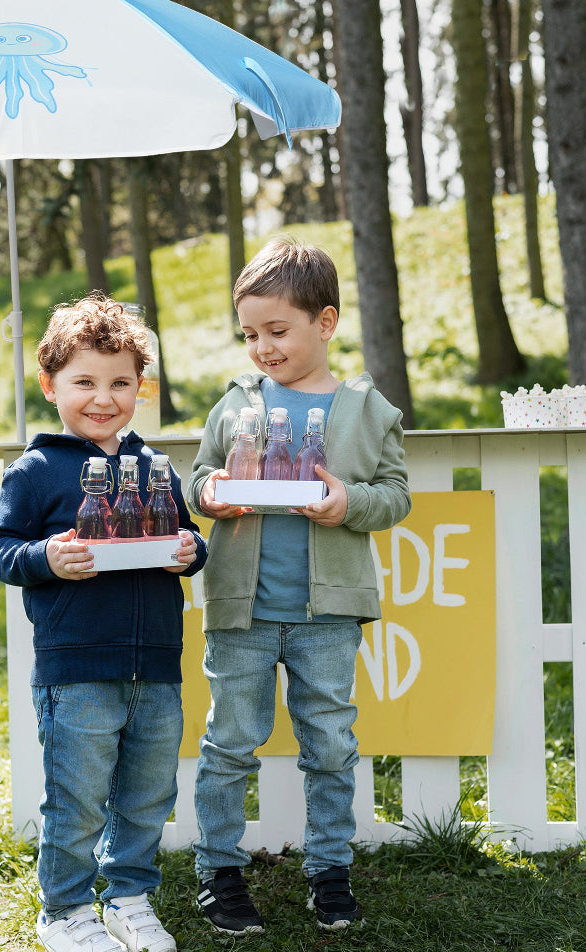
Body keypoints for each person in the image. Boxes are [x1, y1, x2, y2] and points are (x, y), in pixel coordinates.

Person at [185, 236, 411, 936]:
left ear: (327, 322)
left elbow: (396, 495)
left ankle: (329, 872)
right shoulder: (234, 406)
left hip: (328, 614)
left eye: (277, 331)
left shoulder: (368, 410)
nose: (262, 347)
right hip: (241, 609)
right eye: (249, 333)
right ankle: (218, 872)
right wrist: (213, 494)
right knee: (229, 744)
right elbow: (199, 480)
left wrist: (350, 504)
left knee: (331, 746)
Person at [0, 294, 208, 952]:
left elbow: (190, 539)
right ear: (51, 384)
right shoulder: (35, 470)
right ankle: (64, 911)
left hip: (157, 666)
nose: (103, 398)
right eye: (84, 382)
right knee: (77, 799)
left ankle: (129, 897)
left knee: (146, 794)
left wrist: (192, 552)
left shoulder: (157, 468)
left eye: (120, 383)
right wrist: (48, 556)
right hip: (77, 668)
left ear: (142, 387)